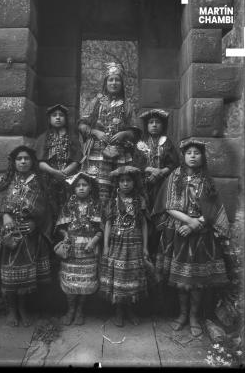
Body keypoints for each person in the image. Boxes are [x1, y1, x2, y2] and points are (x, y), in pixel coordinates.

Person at [152, 139, 230, 337]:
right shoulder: (174, 177)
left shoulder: (206, 180)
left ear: (202, 157)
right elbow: (168, 204)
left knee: (196, 281)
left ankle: (194, 317)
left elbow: (213, 207)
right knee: (181, 280)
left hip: (200, 236)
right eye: (189, 153)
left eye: (197, 152)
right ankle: (182, 314)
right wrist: (188, 221)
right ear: (183, 156)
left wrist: (197, 225)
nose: (193, 156)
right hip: (178, 232)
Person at [0, 146, 53, 327]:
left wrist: (36, 224)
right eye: (19, 159)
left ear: (32, 161)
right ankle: (11, 309)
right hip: (7, 234)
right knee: (8, 274)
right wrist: (4, 215)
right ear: (13, 162)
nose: (22, 162)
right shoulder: (6, 181)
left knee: (25, 273)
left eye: (26, 158)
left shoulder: (39, 182)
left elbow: (48, 209)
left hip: (28, 235)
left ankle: (23, 308)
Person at [78, 62, 141, 206]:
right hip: (97, 152)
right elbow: (81, 125)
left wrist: (124, 133)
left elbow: (135, 132)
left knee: (120, 187)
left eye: (117, 80)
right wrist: (95, 132)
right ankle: (97, 223)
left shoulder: (127, 104)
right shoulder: (96, 102)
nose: (114, 83)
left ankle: (117, 223)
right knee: (97, 187)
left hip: (121, 154)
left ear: (121, 83)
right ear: (105, 83)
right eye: (110, 80)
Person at [99, 166, 149, 327]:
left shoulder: (139, 200)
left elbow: (144, 225)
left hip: (134, 242)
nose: (126, 184)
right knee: (118, 277)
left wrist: (145, 247)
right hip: (116, 243)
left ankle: (130, 310)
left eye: (129, 181)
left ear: (134, 183)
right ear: (118, 183)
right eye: (122, 181)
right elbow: (107, 223)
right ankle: (119, 311)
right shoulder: (113, 201)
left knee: (131, 276)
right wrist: (105, 246)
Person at [54, 172, 103, 325]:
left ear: (90, 188)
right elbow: (60, 226)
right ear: (73, 188)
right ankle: (70, 310)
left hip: (89, 247)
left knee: (85, 281)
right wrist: (65, 235)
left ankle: (80, 311)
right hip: (72, 247)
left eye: (84, 185)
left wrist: (94, 241)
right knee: (71, 280)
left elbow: (101, 229)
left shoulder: (96, 205)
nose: (81, 188)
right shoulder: (68, 205)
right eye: (78, 185)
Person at [133, 109, 179, 257]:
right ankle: (143, 251)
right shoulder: (140, 144)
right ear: (146, 126)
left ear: (162, 125)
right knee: (144, 216)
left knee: (160, 216)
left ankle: (158, 253)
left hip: (162, 186)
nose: (154, 125)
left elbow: (174, 163)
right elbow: (136, 164)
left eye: (157, 122)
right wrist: (151, 169)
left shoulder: (167, 143)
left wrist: (160, 172)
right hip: (144, 185)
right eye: (151, 122)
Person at [36, 104, 83, 222]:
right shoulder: (43, 138)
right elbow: (39, 161)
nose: (58, 118)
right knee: (49, 211)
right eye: (54, 115)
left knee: (69, 209)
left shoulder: (73, 138)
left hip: (69, 179)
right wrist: (54, 172)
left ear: (66, 119)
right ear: (49, 119)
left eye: (61, 115)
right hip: (48, 179)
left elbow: (77, 160)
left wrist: (64, 173)